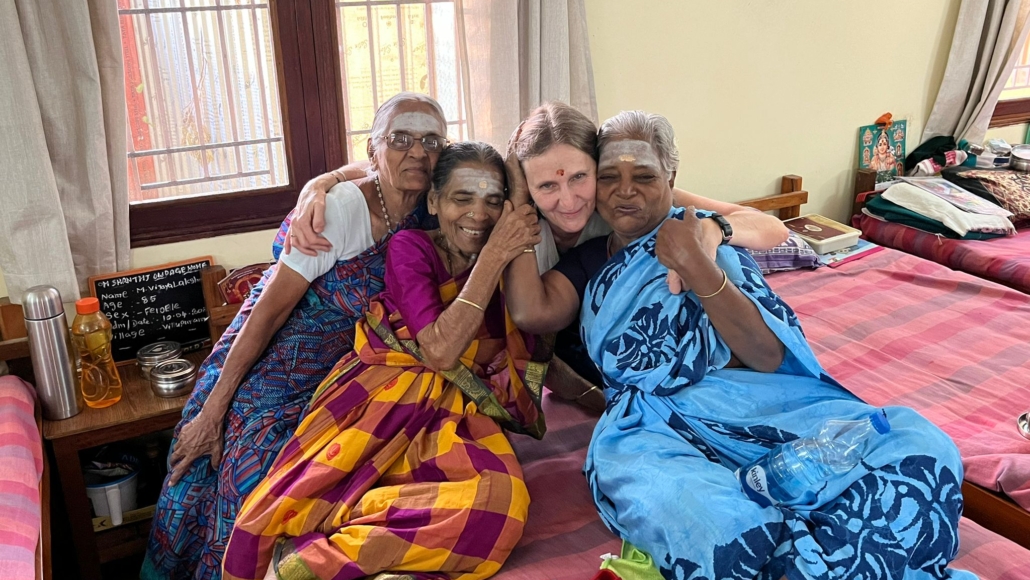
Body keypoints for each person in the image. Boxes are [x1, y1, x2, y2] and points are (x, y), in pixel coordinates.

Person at [503, 110, 1002, 580]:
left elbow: (767, 357)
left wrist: (698, 265)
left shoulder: (712, 240)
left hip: (757, 405)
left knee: (920, 447)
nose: (624, 191)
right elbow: (532, 314)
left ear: (672, 181)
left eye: (644, 176)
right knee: (716, 524)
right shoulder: (586, 263)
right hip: (644, 432)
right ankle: (843, 556)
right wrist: (516, 204)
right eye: (609, 177)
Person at [142, 93, 449, 580]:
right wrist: (216, 406)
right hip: (271, 360)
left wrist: (321, 177)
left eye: (431, 140)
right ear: (376, 148)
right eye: (401, 138)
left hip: (336, 373)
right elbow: (266, 313)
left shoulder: (433, 203)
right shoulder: (345, 210)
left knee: (319, 480)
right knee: (242, 471)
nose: (417, 152)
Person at [212, 143, 545, 580]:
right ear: (433, 201)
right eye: (461, 198)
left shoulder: (507, 258)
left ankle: (302, 568)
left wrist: (596, 400)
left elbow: (534, 346)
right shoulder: (412, 247)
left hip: (457, 413)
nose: (478, 214)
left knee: (501, 503)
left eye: (493, 201)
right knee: (288, 507)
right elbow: (438, 350)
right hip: (380, 396)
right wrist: (496, 254)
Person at [288, 102, 787, 405]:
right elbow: (416, 168)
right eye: (546, 184)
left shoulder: (624, 199)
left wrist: (713, 233)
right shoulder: (506, 218)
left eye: (579, 178)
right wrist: (325, 180)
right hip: (574, 352)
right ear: (521, 186)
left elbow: (770, 227)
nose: (568, 201)